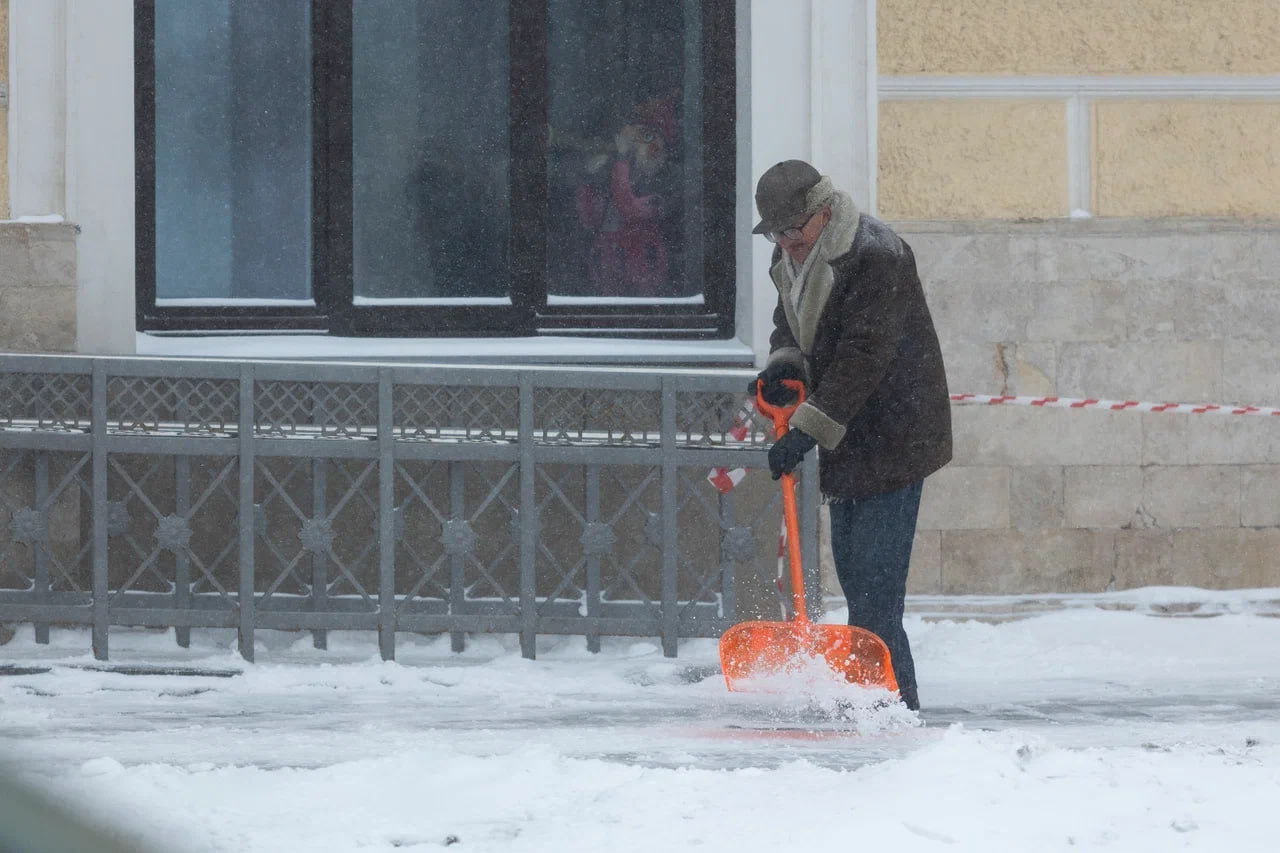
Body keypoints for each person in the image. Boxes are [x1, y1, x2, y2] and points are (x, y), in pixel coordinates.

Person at [749, 159, 952, 711]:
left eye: (795, 228)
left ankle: (895, 711)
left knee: (876, 595)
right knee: (859, 580)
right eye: (777, 231)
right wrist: (784, 364)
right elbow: (788, 319)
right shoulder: (791, 256)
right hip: (847, 440)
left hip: (894, 436)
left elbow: (865, 356)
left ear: (824, 211)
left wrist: (805, 432)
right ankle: (873, 702)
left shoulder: (876, 255)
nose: (786, 240)